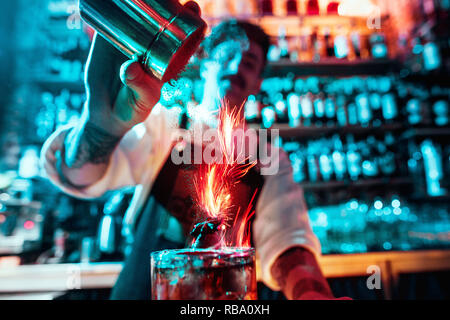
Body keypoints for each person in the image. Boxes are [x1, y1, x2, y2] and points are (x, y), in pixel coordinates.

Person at [41, 2, 346, 300]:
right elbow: (82, 176)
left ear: (257, 83)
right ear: (205, 62)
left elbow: (288, 242)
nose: (237, 66)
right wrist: (99, 128)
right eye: (227, 55)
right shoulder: (165, 125)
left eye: (249, 62)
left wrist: (311, 294)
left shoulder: (267, 157)